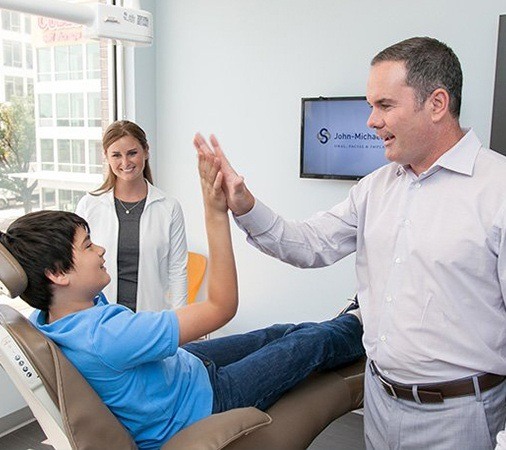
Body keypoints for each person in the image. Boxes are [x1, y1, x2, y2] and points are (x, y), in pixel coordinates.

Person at [193, 36, 506, 449]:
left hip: (461, 417)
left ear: (436, 104)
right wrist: (245, 205)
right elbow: (308, 243)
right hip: (379, 403)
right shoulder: (375, 188)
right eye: (370, 106)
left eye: (385, 105)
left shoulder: (497, 189)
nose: (371, 121)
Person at [0, 149, 364, 450]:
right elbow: (222, 307)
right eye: (88, 246)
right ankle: (363, 321)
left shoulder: (49, 319)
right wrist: (214, 210)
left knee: (280, 332)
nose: (101, 249)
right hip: (204, 400)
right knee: (311, 342)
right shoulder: (106, 334)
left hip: (181, 369)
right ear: (58, 274)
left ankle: (347, 325)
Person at [75, 120, 187, 312]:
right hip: (100, 319)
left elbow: (177, 271)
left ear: (146, 151)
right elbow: (74, 264)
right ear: (106, 157)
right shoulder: (89, 205)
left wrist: (181, 322)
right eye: (116, 155)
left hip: (151, 319)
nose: (125, 163)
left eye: (132, 153)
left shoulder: (169, 207)